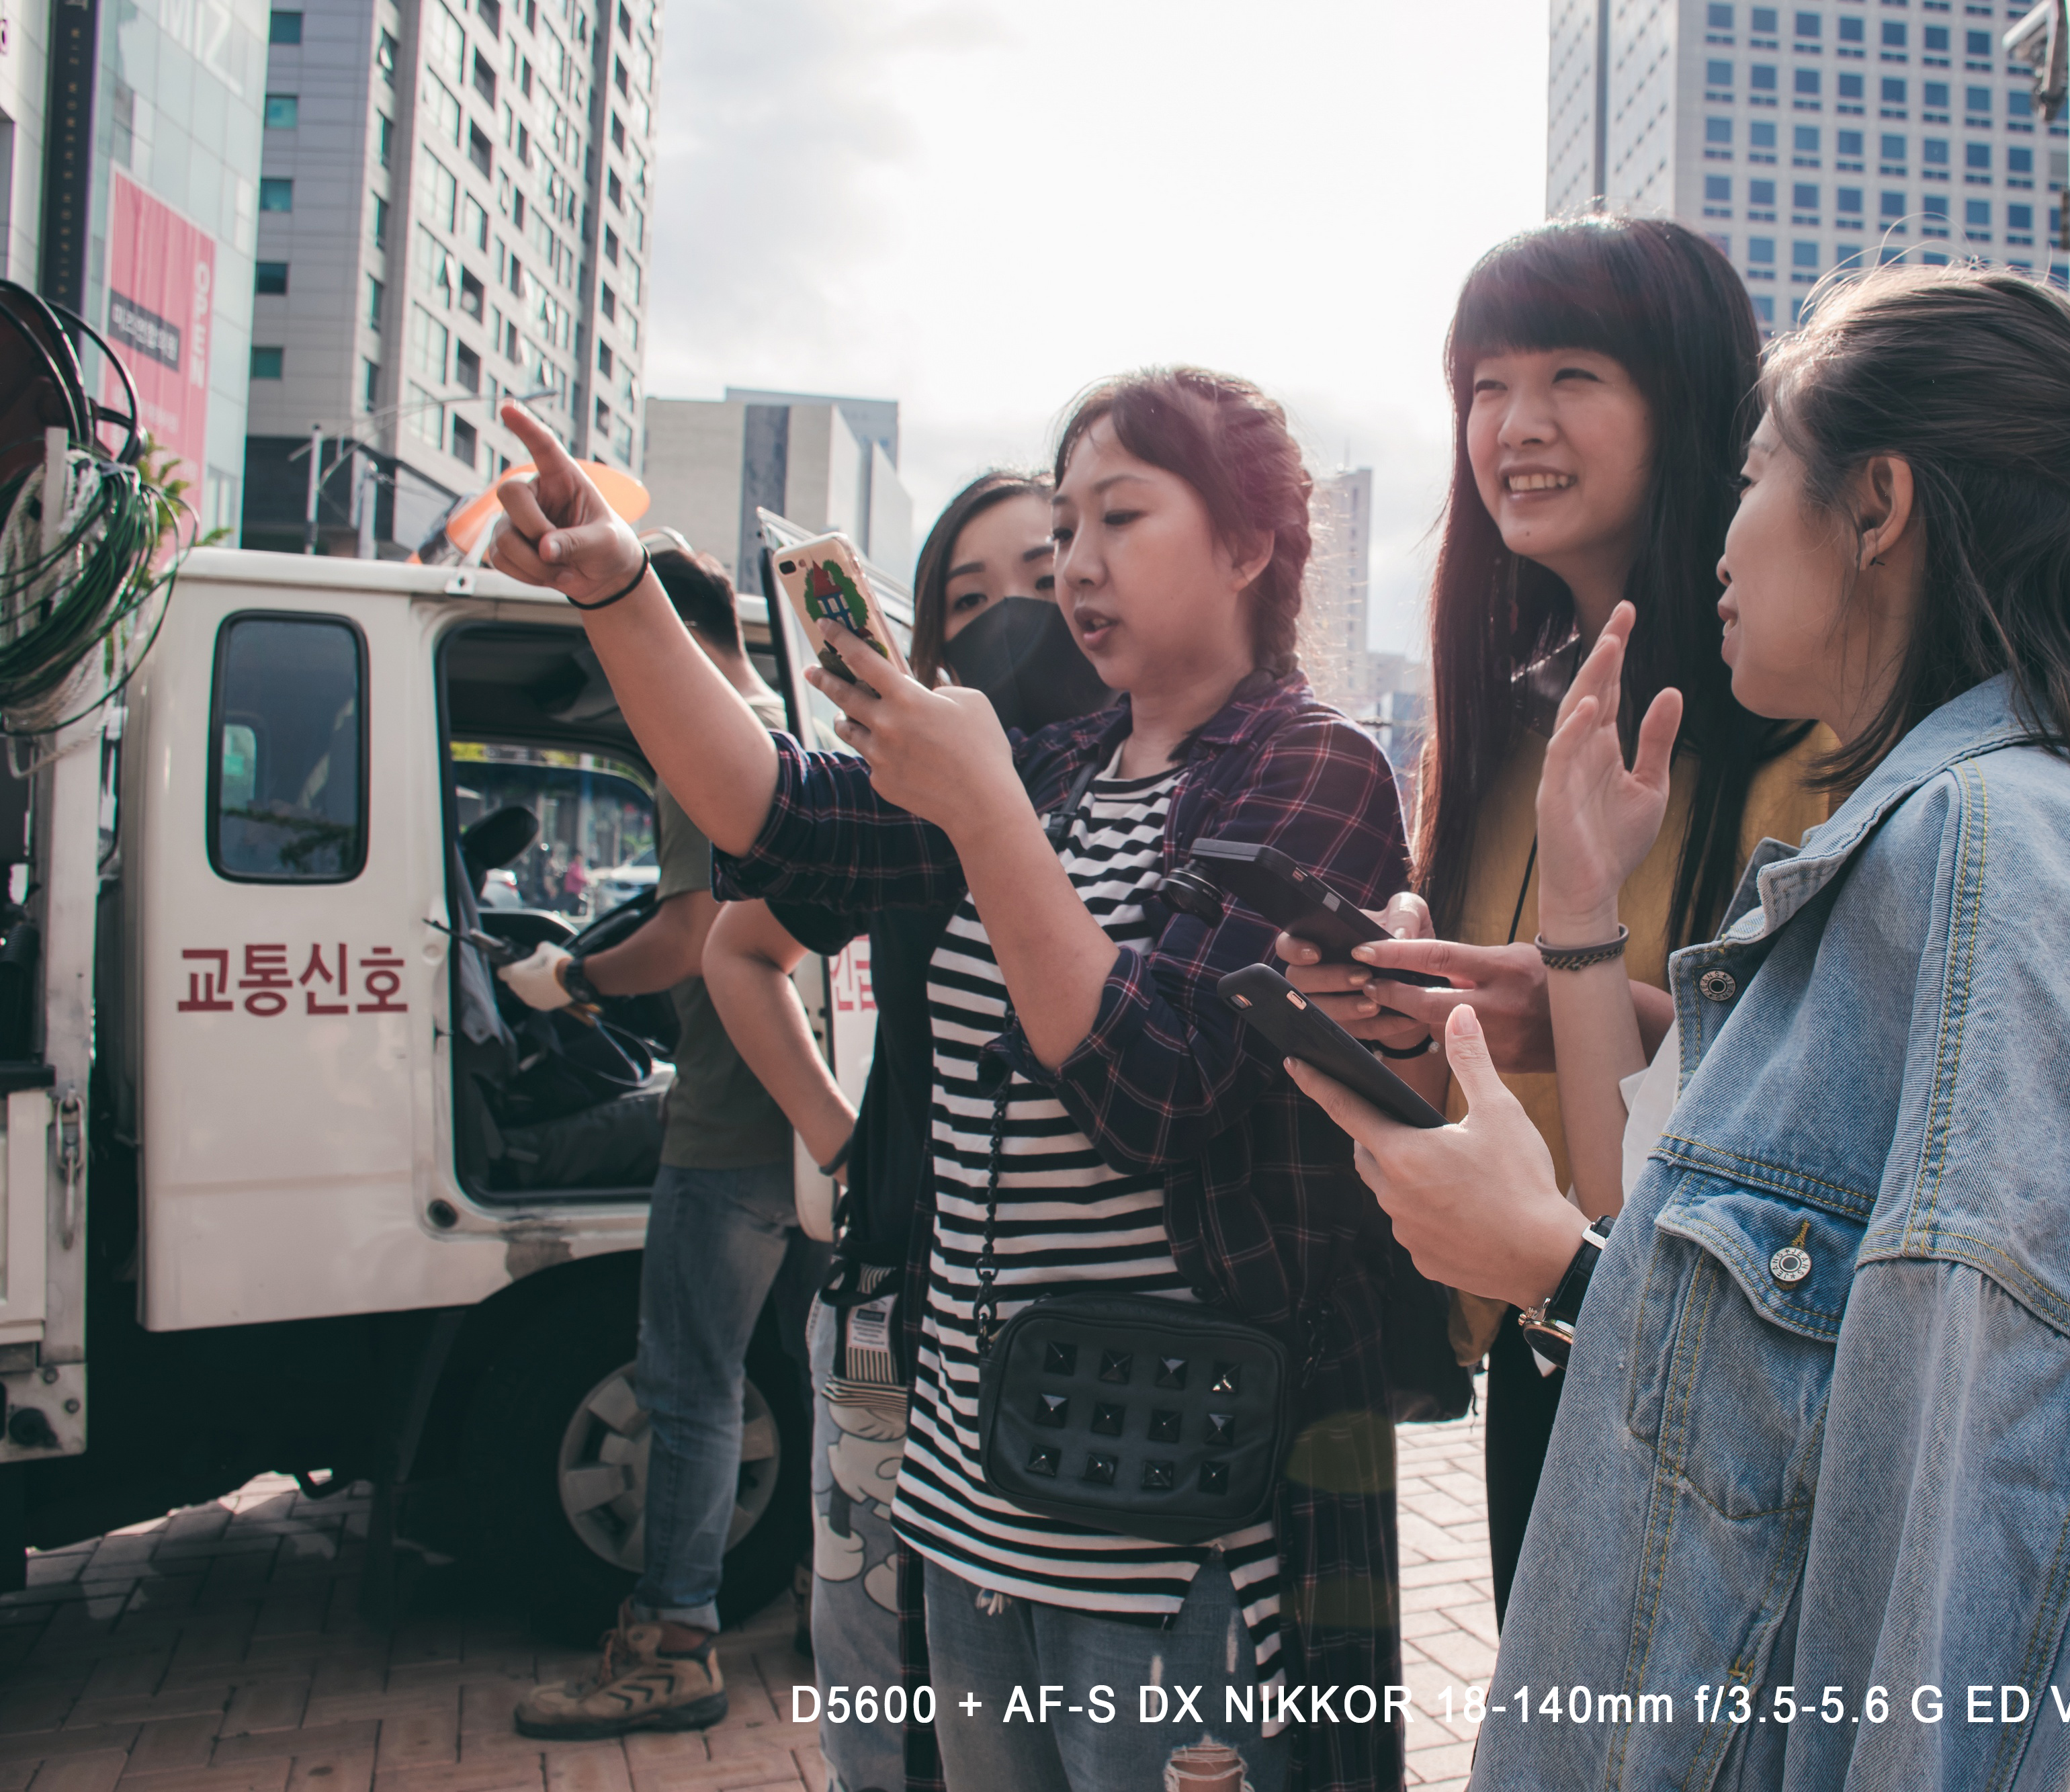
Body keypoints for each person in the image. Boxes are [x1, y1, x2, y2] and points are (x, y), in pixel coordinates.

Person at [1293, 262, 2070, 1787]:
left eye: (1757, 474)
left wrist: (1553, 1270)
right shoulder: (1940, 833)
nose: (1723, 533)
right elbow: (1793, 1322)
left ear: (1876, 505)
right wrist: (1587, 935)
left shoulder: (1987, 854)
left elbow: (1963, 1520)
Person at [481, 371, 1416, 1792]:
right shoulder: (1053, 765)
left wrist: (983, 808)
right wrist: (616, 592)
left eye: (1119, 518)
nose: (1079, 566)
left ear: (1249, 543)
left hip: (1176, 1531)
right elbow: (774, 811)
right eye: (1068, 525)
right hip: (970, 1498)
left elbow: (1156, 1087)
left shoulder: (1312, 768)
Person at [1279, 215, 1838, 1621]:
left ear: (1690, 404)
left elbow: (1825, 1102)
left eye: (1571, 375)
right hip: (1540, 1346)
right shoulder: (1492, 732)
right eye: (1485, 385)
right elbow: (1455, 1093)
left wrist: (1580, 1002)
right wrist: (1396, 1005)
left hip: (1725, 1365)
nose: (1514, 426)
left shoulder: (1808, 733)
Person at [700, 470, 1097, 1792]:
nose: (1013, 618)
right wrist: (835, 1138)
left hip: (1082, 1331)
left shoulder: (1157, 789)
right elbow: (738, 950)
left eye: (1041, 576)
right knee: (885, 1663)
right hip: (892, 1297)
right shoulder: (904, 805)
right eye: (968, 599)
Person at [507, 546, 832, 1740]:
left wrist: (570, 980)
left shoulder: (703, 742)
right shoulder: (800, 734)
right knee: (819, 1381)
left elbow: (693, 937)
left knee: (691, 1389)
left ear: (671, 629)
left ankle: (675, 1644)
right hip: (811, 1126)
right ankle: (828, 1599)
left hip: (729, 1125)